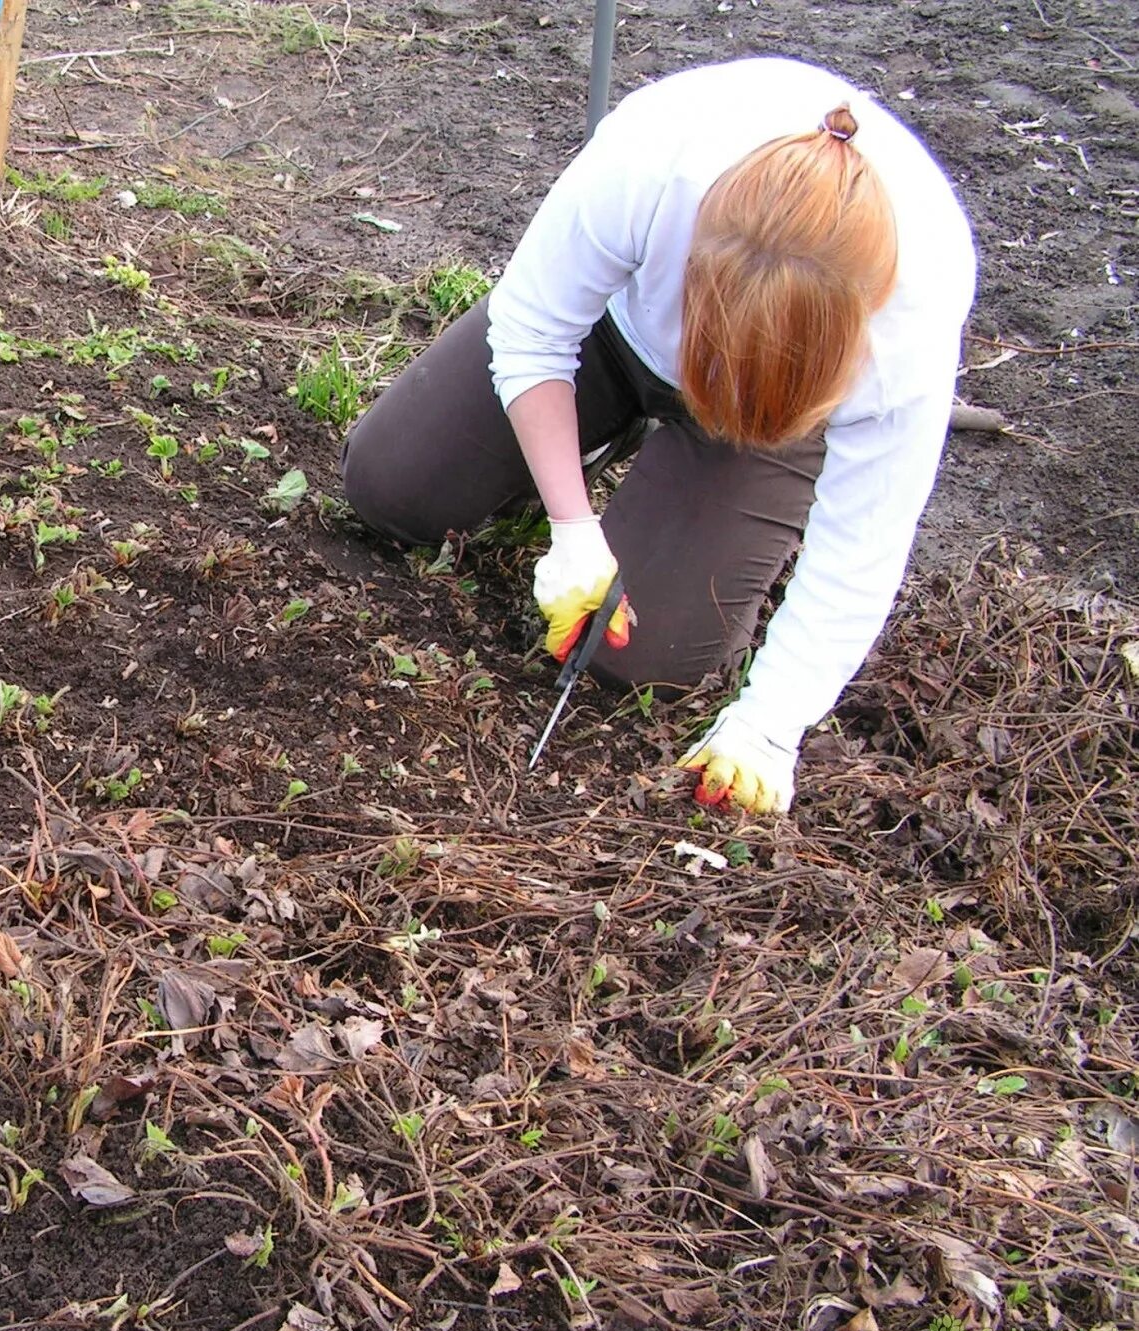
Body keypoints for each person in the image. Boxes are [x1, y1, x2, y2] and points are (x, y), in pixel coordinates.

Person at [340, 56, 977, 815]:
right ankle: (610, 433)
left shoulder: (914, 317)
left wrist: (770, 725)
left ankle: (716, 498)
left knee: (643, 656)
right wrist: (573, 529)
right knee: (391, 486)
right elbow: (534, 331)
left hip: (766, 428)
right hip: (613, 341)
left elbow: (863, 543)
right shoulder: (655, 160)